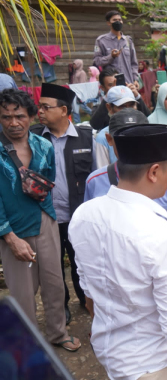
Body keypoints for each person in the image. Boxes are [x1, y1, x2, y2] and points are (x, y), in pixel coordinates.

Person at [70, 123, 167, 380]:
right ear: (154, 172)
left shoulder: (84, 216)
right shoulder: (160, 235)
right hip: (151, 363)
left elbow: (89, 292)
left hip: (109, 350)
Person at [0, 89, 81, 352]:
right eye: (6, 117)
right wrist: (9, 237)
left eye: (20, 116)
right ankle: (29, 343)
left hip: (45, 221)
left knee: (55, 283)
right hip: (12, 229)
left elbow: (48, 182)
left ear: (32, 116)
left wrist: (50, 219)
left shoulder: (43, 145)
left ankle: (58, 333)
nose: (13, 123)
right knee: (23, 293)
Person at [84, 109, 167, 287]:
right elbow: (90, 237)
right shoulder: (94, 182)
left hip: (160, 271)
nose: (134, 145)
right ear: (109, 140)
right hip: (115, 275)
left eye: (140, 138)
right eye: (125, 139)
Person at [30, 83, 96, 325]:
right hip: (46, 216)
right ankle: (61, 307)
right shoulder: (34, 137)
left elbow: (97, 178)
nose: (40, 112)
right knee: (53, 267)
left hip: (79, 217)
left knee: (82, 261)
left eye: (46, 107)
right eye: (39, 107)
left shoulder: (87, 137)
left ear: (64, 110)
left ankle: (85, 298)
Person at [94, 86, 138, 167]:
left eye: (131, 105)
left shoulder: (143, 131)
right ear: (109, 108)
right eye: (122, 106)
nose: (128, 111)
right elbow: (103, 174)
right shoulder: (102, 138)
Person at [93, 10, 138, 85]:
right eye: (114, 20)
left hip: (128, 83)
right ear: (108, 23)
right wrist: (111, 57)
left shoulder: (128, 40)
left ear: (122, 22)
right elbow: (97, 61)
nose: (118, 22)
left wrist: (135, 79)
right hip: (111, 85)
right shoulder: (101, 40)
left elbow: (134, 63)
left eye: (119, 20)